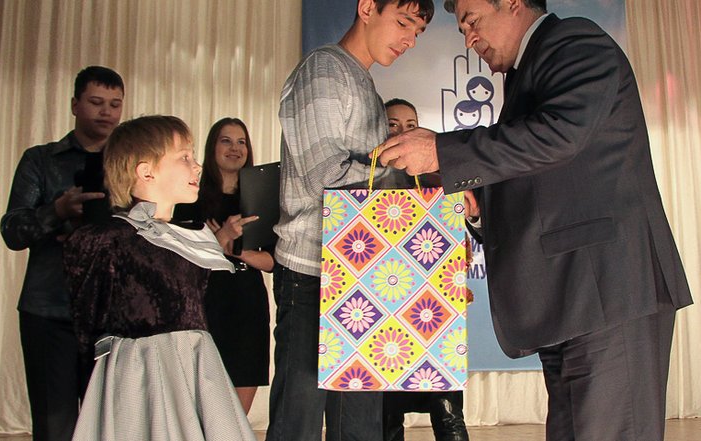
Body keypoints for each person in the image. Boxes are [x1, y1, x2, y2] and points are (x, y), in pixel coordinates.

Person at [376, 1, 694, 440]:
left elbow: (560, 135)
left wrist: (441, 152)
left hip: (608, 291)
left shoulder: (574, 41)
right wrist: (481, 208)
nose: (469, 39)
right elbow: (544, 175)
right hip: (573, 301)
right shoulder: (527, 72)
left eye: (472, 21)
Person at [268, 1, 434, 440]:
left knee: (360, 425)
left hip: (361, 273)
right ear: (367, 8)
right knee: (298, 422)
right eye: (403, 23)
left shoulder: (365, 85)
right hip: (313, 272)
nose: (408, 40)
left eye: (417, 32)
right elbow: (325, 176)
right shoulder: (324, 70)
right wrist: (401, 167)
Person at [63, 115, 256, 441]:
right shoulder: (109, 239)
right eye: (184, 158)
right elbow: (88, 321)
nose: (197, 166)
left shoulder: (190, 240)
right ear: (146, 171)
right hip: (139, 373)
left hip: (194, 360)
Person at [0, 66, 124, 441]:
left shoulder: (130, 167)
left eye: (115, 104)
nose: (106, 112)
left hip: (112, 314)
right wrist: (56, 211)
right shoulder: (40, 160)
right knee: (54, 425)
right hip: (50, 310)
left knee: (110, 426)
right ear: (74, 104)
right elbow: (12, 230)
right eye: (96, 102)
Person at [381, 98, 468, 441]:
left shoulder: (438, 181)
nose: (402, 132)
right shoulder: (365, 182)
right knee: (386, 412)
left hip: (432, 314)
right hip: (382, 313)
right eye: (392, 124)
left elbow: (459, 246)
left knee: (447, 408)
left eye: (411, 126)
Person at [173, 117, 273, 415]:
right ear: (211, 147)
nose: (235, 148)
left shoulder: (261, 197)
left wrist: (236, 251)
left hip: (247, 302)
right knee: (197, 409)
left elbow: (272, 261)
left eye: (241, 142)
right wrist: (222, 238)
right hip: (203, 302)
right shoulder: (189, 195)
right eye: (226, 141)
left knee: (237, 415)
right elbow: (181, 260)